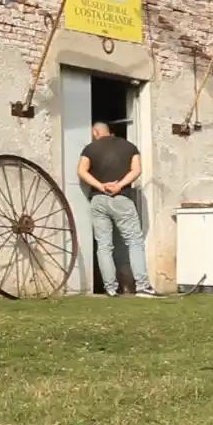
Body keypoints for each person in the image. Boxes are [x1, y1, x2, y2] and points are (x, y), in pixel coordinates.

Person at [76, 122, 163, 298]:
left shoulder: (90, 149)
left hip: (99, 199)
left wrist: (101, 186)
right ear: (111, 132)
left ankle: (110, 288)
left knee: (104, 245)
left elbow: (81, 171)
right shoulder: (130, 147)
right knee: (134, 241)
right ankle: (142, 286)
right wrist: (119, 185)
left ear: (95, 132)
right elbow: (136, 170)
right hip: (121, 198)